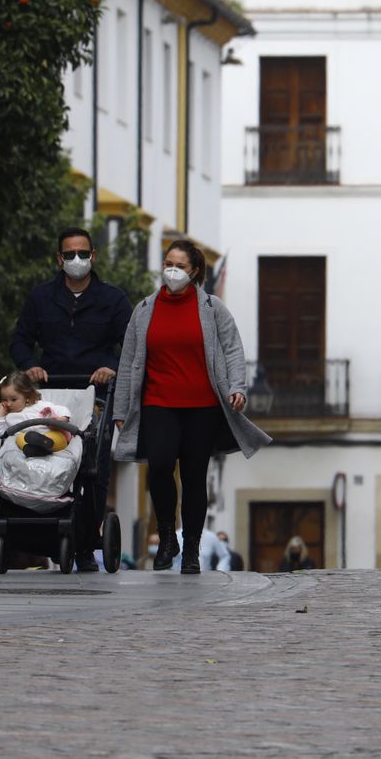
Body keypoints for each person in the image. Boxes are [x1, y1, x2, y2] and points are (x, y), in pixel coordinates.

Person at [112, 240, 271, 573]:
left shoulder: (213, 308)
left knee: (195, 478)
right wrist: (121, 411)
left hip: (202, 406)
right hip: (158, 403)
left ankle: (192, 551)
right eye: (168, 262)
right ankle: (167, 535)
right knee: (158, 468)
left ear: (194, 270)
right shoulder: (144, 310)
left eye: (180, 265)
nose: (172, 270)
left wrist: (238, 387)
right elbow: (128, 362)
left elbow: (232, 349)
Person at [10, 227, 132, 572]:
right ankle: (43, 530)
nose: (76, 260)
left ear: (93, 256)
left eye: (82, 253)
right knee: (42, 455)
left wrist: (112, 368)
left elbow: (132, 347)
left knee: (92, 467)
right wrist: (30, 365)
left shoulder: (113, 299)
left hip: (95, 393)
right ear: (59, 259)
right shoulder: (41, 298)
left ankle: (85, 543)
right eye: (69, 254)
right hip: (51, 393)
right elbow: (20, 340)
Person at [0, 371, 83, 505]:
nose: (8, 404)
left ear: (27, 396)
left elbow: (62, 409)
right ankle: (35, 447)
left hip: (52, 436)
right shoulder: (8, 417)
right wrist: (0, 412)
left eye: (13, 399)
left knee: (54, 437)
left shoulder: (40, 406)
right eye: (4, 400)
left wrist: (59, 419)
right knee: (19, 438)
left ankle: (44, 444)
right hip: (28, 443)